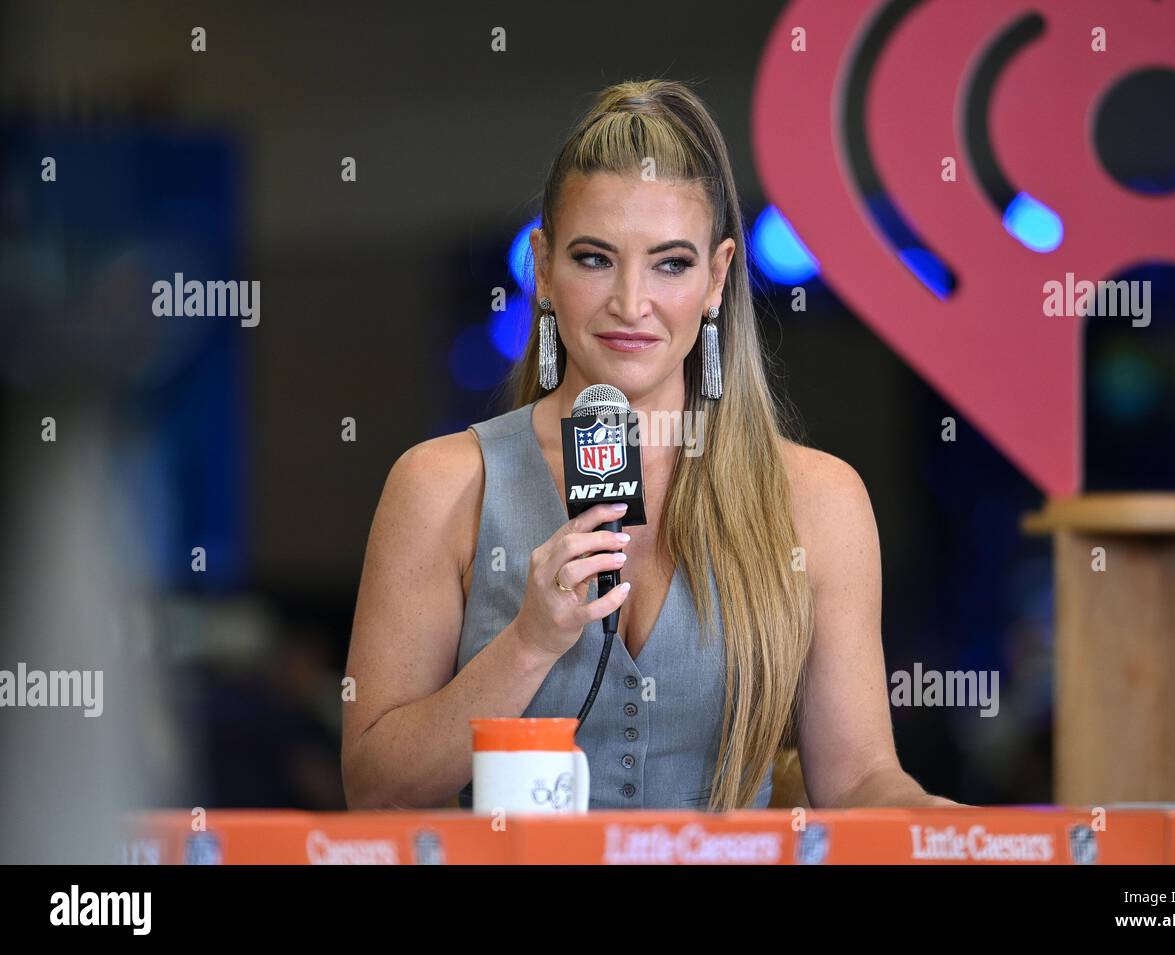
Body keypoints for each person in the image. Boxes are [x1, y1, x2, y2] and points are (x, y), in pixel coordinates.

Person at [342, 79, 959, 811]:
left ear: (717, 276)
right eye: (594, 258)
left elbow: (858, 780)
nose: (630, 303)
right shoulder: (440, 483)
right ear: (543, 267)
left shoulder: (819, 500)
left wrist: (973, 835)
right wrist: (529, 644)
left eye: (670, 263)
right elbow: (375, 788)